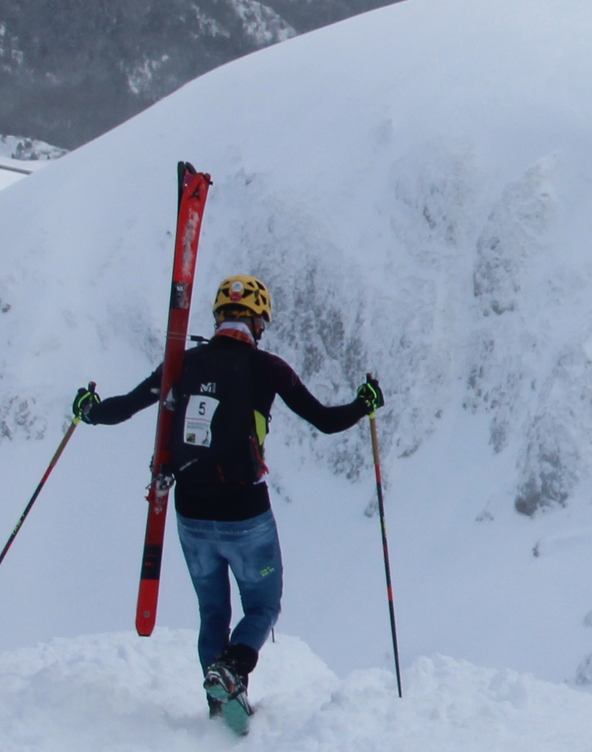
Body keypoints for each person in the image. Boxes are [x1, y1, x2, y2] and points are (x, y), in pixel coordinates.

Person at [75, 274, 383, 721]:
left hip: (191, 512)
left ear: (219, 316)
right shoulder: (268, 367)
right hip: (245, 516)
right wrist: (365, 403)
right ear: (259, 322)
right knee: (262, 605)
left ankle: (218, 699)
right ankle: (233, 670)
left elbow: (123, 407)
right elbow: (325, 421)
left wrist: (89, 408)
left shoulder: (183, 363)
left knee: (213, 610)